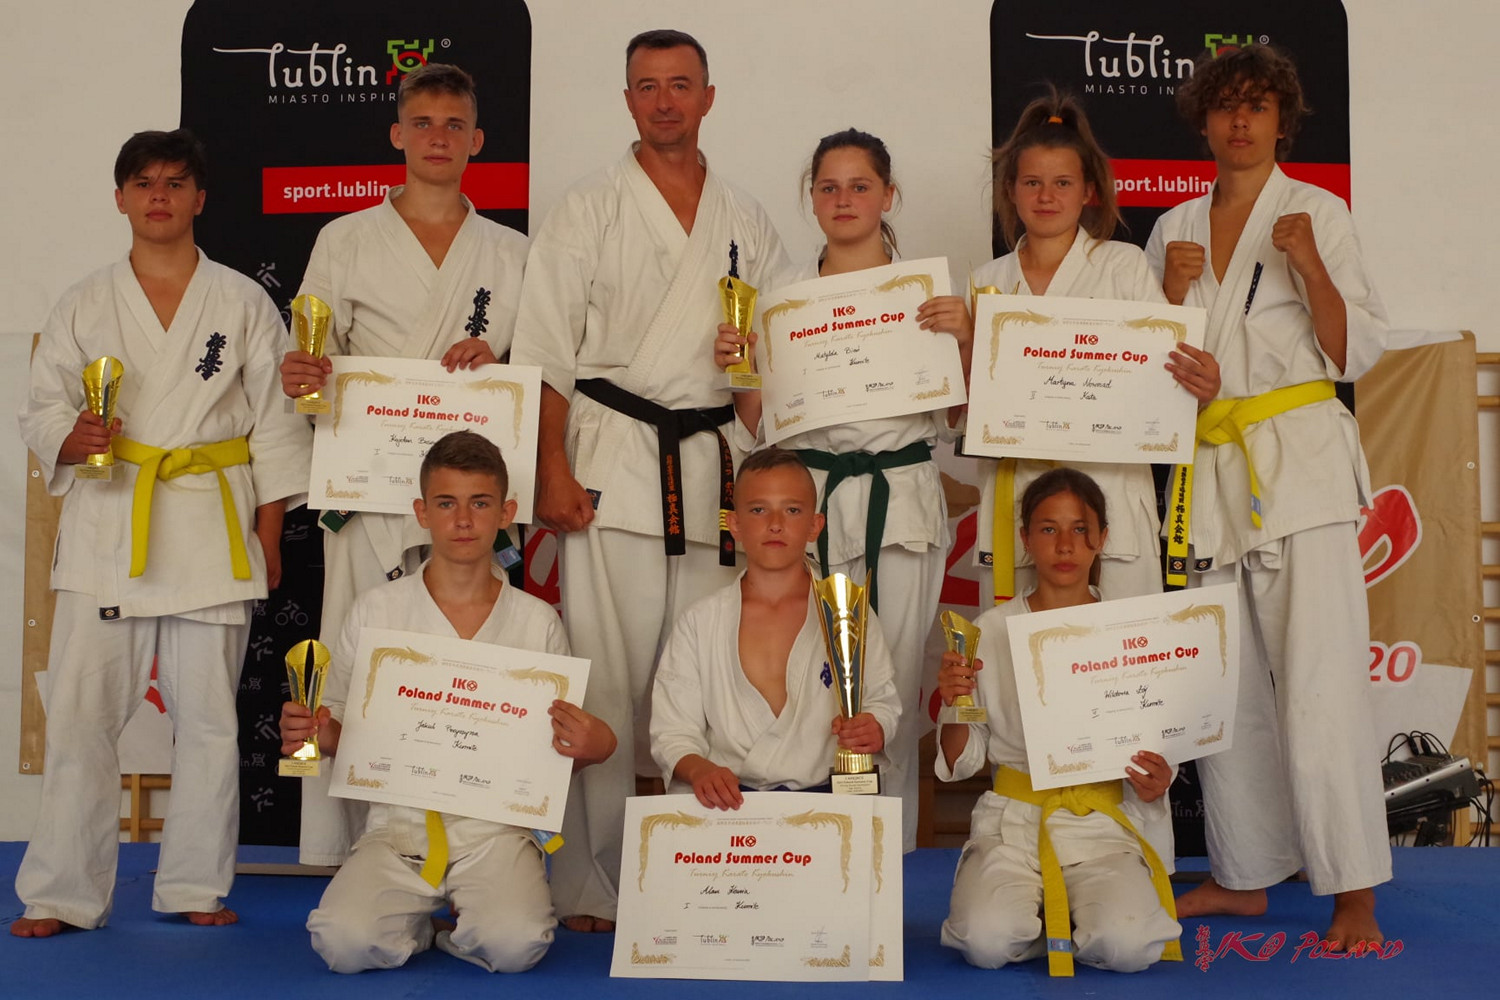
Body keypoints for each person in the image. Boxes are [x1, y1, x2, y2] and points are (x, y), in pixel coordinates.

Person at [509, 29, 787, 929]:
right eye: (647, 86)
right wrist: (550, 468)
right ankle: (589, 880)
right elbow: (544, 350)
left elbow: (780, 351)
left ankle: (702, 871)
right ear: (627, 99)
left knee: (706, 678)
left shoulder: (746, 218)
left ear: (709, 96)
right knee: (604, 678)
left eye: (680, 84)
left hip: (713, 467)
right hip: (612, 461)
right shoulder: (587, 208)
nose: (665, 101)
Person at [13, 129, 312, 936]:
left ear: (199, 198)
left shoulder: (241, 302)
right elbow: (41, 406)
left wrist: (269, 534)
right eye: (143, 182)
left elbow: (277, 427)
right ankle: (61, 893)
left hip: (212, 525)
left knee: (209, 722)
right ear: (119, 198)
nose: (159, 195)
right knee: (80, 717)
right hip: (111, 523)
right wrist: (70, 436)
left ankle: (192, 886)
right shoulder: (84, 301)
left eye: (176, 182)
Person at [1145, 45, 1390, 949]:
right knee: (1228, 686)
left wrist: (1312, 266)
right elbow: (1139, 369)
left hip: (1301, 468)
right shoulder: (1173, 224)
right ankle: (1245, 873)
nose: (1240, 121)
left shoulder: (1318, 212)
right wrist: (1167, 295)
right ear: (1203, 122)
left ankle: (1354, 887)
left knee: (1322, 683)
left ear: (1283, 120)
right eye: (1225, 106)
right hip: (1210, 474)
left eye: (1257, 106)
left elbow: (1353, 351)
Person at [278, 62, 531, 866]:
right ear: (397, 135)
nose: (438, 138)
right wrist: (305, 378)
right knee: (357, 661)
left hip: (469, 496)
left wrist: (501, 361)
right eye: (423, 123)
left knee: (465, 667)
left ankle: (474, 843)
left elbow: (537, 372)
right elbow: (312, 359)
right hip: (369, 486)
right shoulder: (344, 238)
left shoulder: (513, 252)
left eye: (455, 125)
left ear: (477, 141)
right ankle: (348, 850)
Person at [713, 128, 970, 850]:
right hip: (813, 503)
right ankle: (820, 848)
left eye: (861, 186)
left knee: (894, 682)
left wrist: (966, 341)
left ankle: (891, 853)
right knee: (812, 676)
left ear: (888, 195)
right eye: (829, 187)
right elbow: (757, 422)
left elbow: (960, 418)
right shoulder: (782, 298)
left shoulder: (926, 294)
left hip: (900, 498)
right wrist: (739, 366)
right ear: (812, 198)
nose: (844, 199)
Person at [278, 431, 616, 972]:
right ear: (421, 513)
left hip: (495, 832)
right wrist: (314, 732)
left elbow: (549, 756)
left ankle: (457, 933)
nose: (462, 520)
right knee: (343, 943)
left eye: (479, 503)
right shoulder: (376, 610)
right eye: (445, 503)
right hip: (398, 829)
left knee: (515, 945)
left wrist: (595, 746)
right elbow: (337, 723)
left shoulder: (535, 621)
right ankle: (414, 925)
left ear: (506, 513)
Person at [970, 90, 1220, 606]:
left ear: (1088, 191)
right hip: (1018, 495)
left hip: (1112, 494)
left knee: (1123, 652)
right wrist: (961, 345)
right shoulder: (985, 282)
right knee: (1016, 648)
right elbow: (965, 415)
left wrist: (1200, 386)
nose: (1046, 196)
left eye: (1062, 183)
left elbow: (1164, 392)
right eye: (1032, 183)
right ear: (1010, 190)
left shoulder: (1124, 266)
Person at [936, 468, 1181, 974]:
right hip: (1014, 824)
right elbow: (963, 760)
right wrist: (953, 700)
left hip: (1101, 824)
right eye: (1048, 529)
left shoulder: (1133, 631)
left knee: (1129, 946)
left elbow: (1156, 741)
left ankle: (1067, 915)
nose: (1065, 545)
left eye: (1079, 529)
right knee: (985, 942)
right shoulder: (990, 630)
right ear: (1025, 539)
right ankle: (1047, 915)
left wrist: (1158, 779)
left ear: (1102, 539)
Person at [650, 448, 900, 807]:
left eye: (792, 510)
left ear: (815, 525)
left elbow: (882, 700)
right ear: (734, 524)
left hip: (830, 803)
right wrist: (699, 769)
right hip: (727, 805)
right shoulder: (700, 621)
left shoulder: (848, 612)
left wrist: (874, 726)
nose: (776, 524)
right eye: (758, 510)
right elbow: (673, 732)